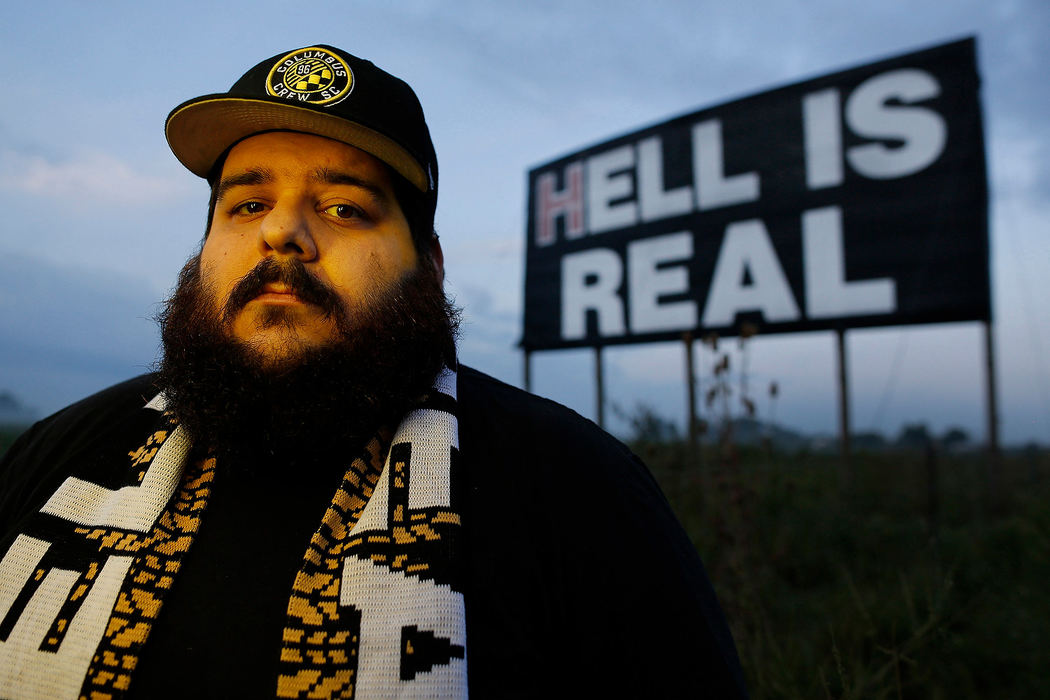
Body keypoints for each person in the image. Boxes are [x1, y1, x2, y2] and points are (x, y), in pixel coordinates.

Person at [0, 45, 747, 699]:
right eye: (248, 203)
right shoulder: (67, 455)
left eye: (344, 208)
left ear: (430, 266)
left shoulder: (576, 491)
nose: (281, 233)